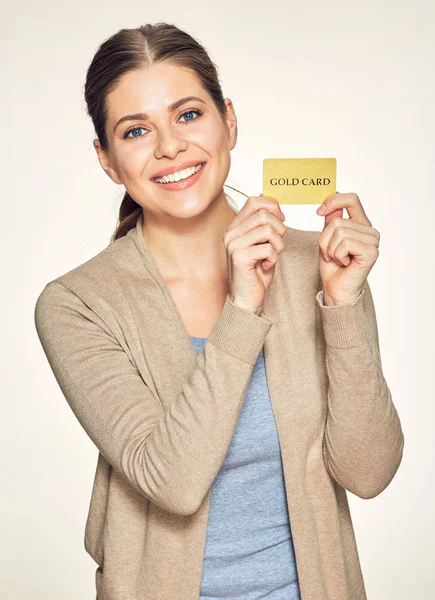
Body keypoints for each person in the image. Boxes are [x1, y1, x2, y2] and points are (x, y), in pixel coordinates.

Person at [34, 22, 405, 600]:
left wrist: (343, 302)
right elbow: (174, 483)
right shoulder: (77, 305)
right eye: (136, 131)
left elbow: (369, 472)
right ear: (107, 160)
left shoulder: (319, 262)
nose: (169, 147)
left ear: (228, 121)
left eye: (187, 115)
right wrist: (242, 307)